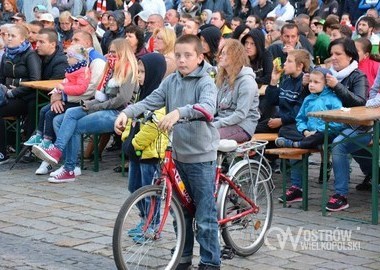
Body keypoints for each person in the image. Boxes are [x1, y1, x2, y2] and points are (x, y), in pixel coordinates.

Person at [114, 34, 221, 270]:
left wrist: (179, 113)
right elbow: (151, 101)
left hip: (201, 157)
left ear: (200, 57)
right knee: (180, 212)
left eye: (188, 55)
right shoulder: (171, 81)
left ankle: (210, 262)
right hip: (178, 153)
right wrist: (127, 113)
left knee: (205, 216)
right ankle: (183, 255)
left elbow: (207, 107)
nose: (182, 60)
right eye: (178, 55)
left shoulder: (205, 81)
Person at [32, 38, 139, 183]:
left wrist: (93, 106)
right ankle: (62, 157)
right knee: (62, 117)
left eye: (114, 52)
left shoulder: (128, 70)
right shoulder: (111, 70)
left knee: (74, 126)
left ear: (123, 52)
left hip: (120, 114)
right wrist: (88, 104)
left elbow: (121, 100)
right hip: (105, 107)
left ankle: (68, 166)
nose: (110, 55)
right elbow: (102, 97)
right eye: (109, 52)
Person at [121, 53, 168, 241]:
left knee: (149, 192)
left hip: (150, 154)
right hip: (136, 152)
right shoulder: (141, 94)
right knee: (134, 188)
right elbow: (131, 119)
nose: (139, 76)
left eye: (142, 72)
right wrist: (126, 136)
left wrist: (134, 142)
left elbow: (153, 127)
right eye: (138, 71)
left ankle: (153, 225)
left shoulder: (159, 96)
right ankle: (144, 220)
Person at [323, 38, 369, 211]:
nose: (333, 57)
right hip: (334, 125)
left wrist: (337, 87)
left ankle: (340, 195)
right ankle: (297, 187)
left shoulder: (358, 76)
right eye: (332, 54)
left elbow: (360, 102)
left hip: (359, 127)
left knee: (339, 145)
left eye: (338, 54)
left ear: (350, 56)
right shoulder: (329, 74)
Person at [24, 44, 91, 151]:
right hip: (66, 98)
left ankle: (47, 140)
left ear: (77, 59)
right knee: (43, 110)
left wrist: (63, 89)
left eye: (69, 57)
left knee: (50, 114)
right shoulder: (73, 70)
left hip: (74, 102)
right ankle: (39, 134)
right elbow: (67, 83)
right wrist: (59, 89)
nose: (67, 59)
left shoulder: (82, 72)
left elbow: (81, 89)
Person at [265, 49, 311, 203]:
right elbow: (272, 101)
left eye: (289, 61)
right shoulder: (286, 80)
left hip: (295, 124)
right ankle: (257, 171)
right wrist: (273, 80)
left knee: (285, 133)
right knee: (255, 128)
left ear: (300, 66)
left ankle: (297, 187)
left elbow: (299, 111)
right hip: (283, 123)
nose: (285, 64)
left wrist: (282, 121)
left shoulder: (305, 84)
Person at [0, 24, 42, 164]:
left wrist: (13, 92)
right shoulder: (6, 54)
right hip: (6, 94)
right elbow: (1, 78)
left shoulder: (30, 55)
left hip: (24, 98)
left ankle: (2, 153)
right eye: (8, 35)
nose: (9, 38)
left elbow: (34, 81)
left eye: (13, 36)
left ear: (23, 39)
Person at [275, 67, 343, 149]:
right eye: (310, 81)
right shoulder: (308, 99)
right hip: (307, 132)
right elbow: (300, 118)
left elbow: (338, 123)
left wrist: (316, 131)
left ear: (326, 84)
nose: (311, 85)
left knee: (322, 136)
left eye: (316, 82)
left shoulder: (334, 99)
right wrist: (304, 131)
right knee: (283, 130)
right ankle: (314, 144)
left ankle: (296, 144)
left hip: (324, 132)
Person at [214, 39, 260, 143]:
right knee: (197, 131)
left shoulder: (247, 82)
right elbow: (216, 106)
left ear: (234, 57)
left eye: (224, 53)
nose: (220, 56)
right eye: (220, 53)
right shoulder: (223, 78)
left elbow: (240, 115)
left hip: (242, 126)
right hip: (223, 121)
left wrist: (217, 123)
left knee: (208, 136)